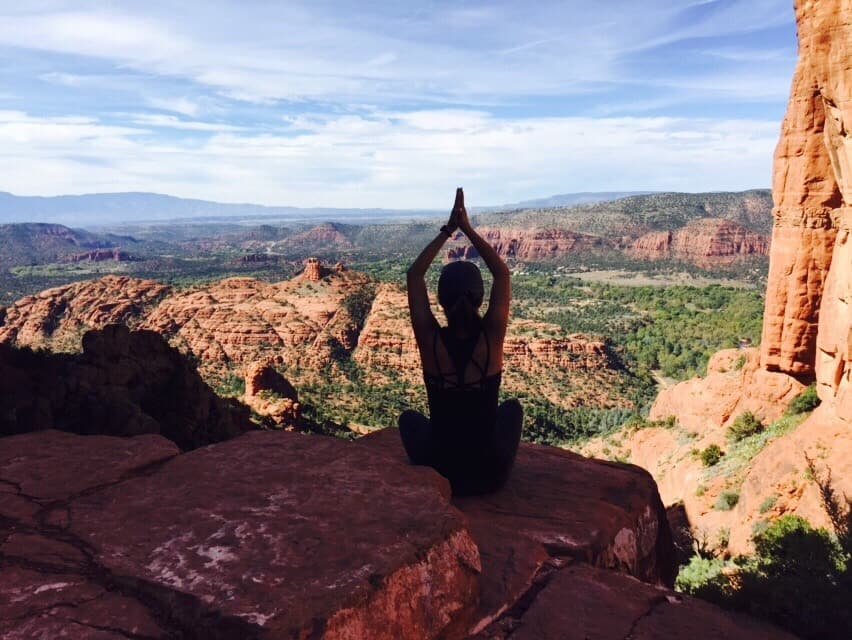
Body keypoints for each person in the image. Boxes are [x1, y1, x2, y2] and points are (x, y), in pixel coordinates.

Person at [400, 187, 522, 495]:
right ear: (480, 298)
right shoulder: (491, 339)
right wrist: (468, 228)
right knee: (511, 409)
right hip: (488, 475)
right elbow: (503, 276)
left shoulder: (430, 342)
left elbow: (414, 276)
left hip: (441, 469)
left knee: (409, 419)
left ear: (440, 300)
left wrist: (447, 231)